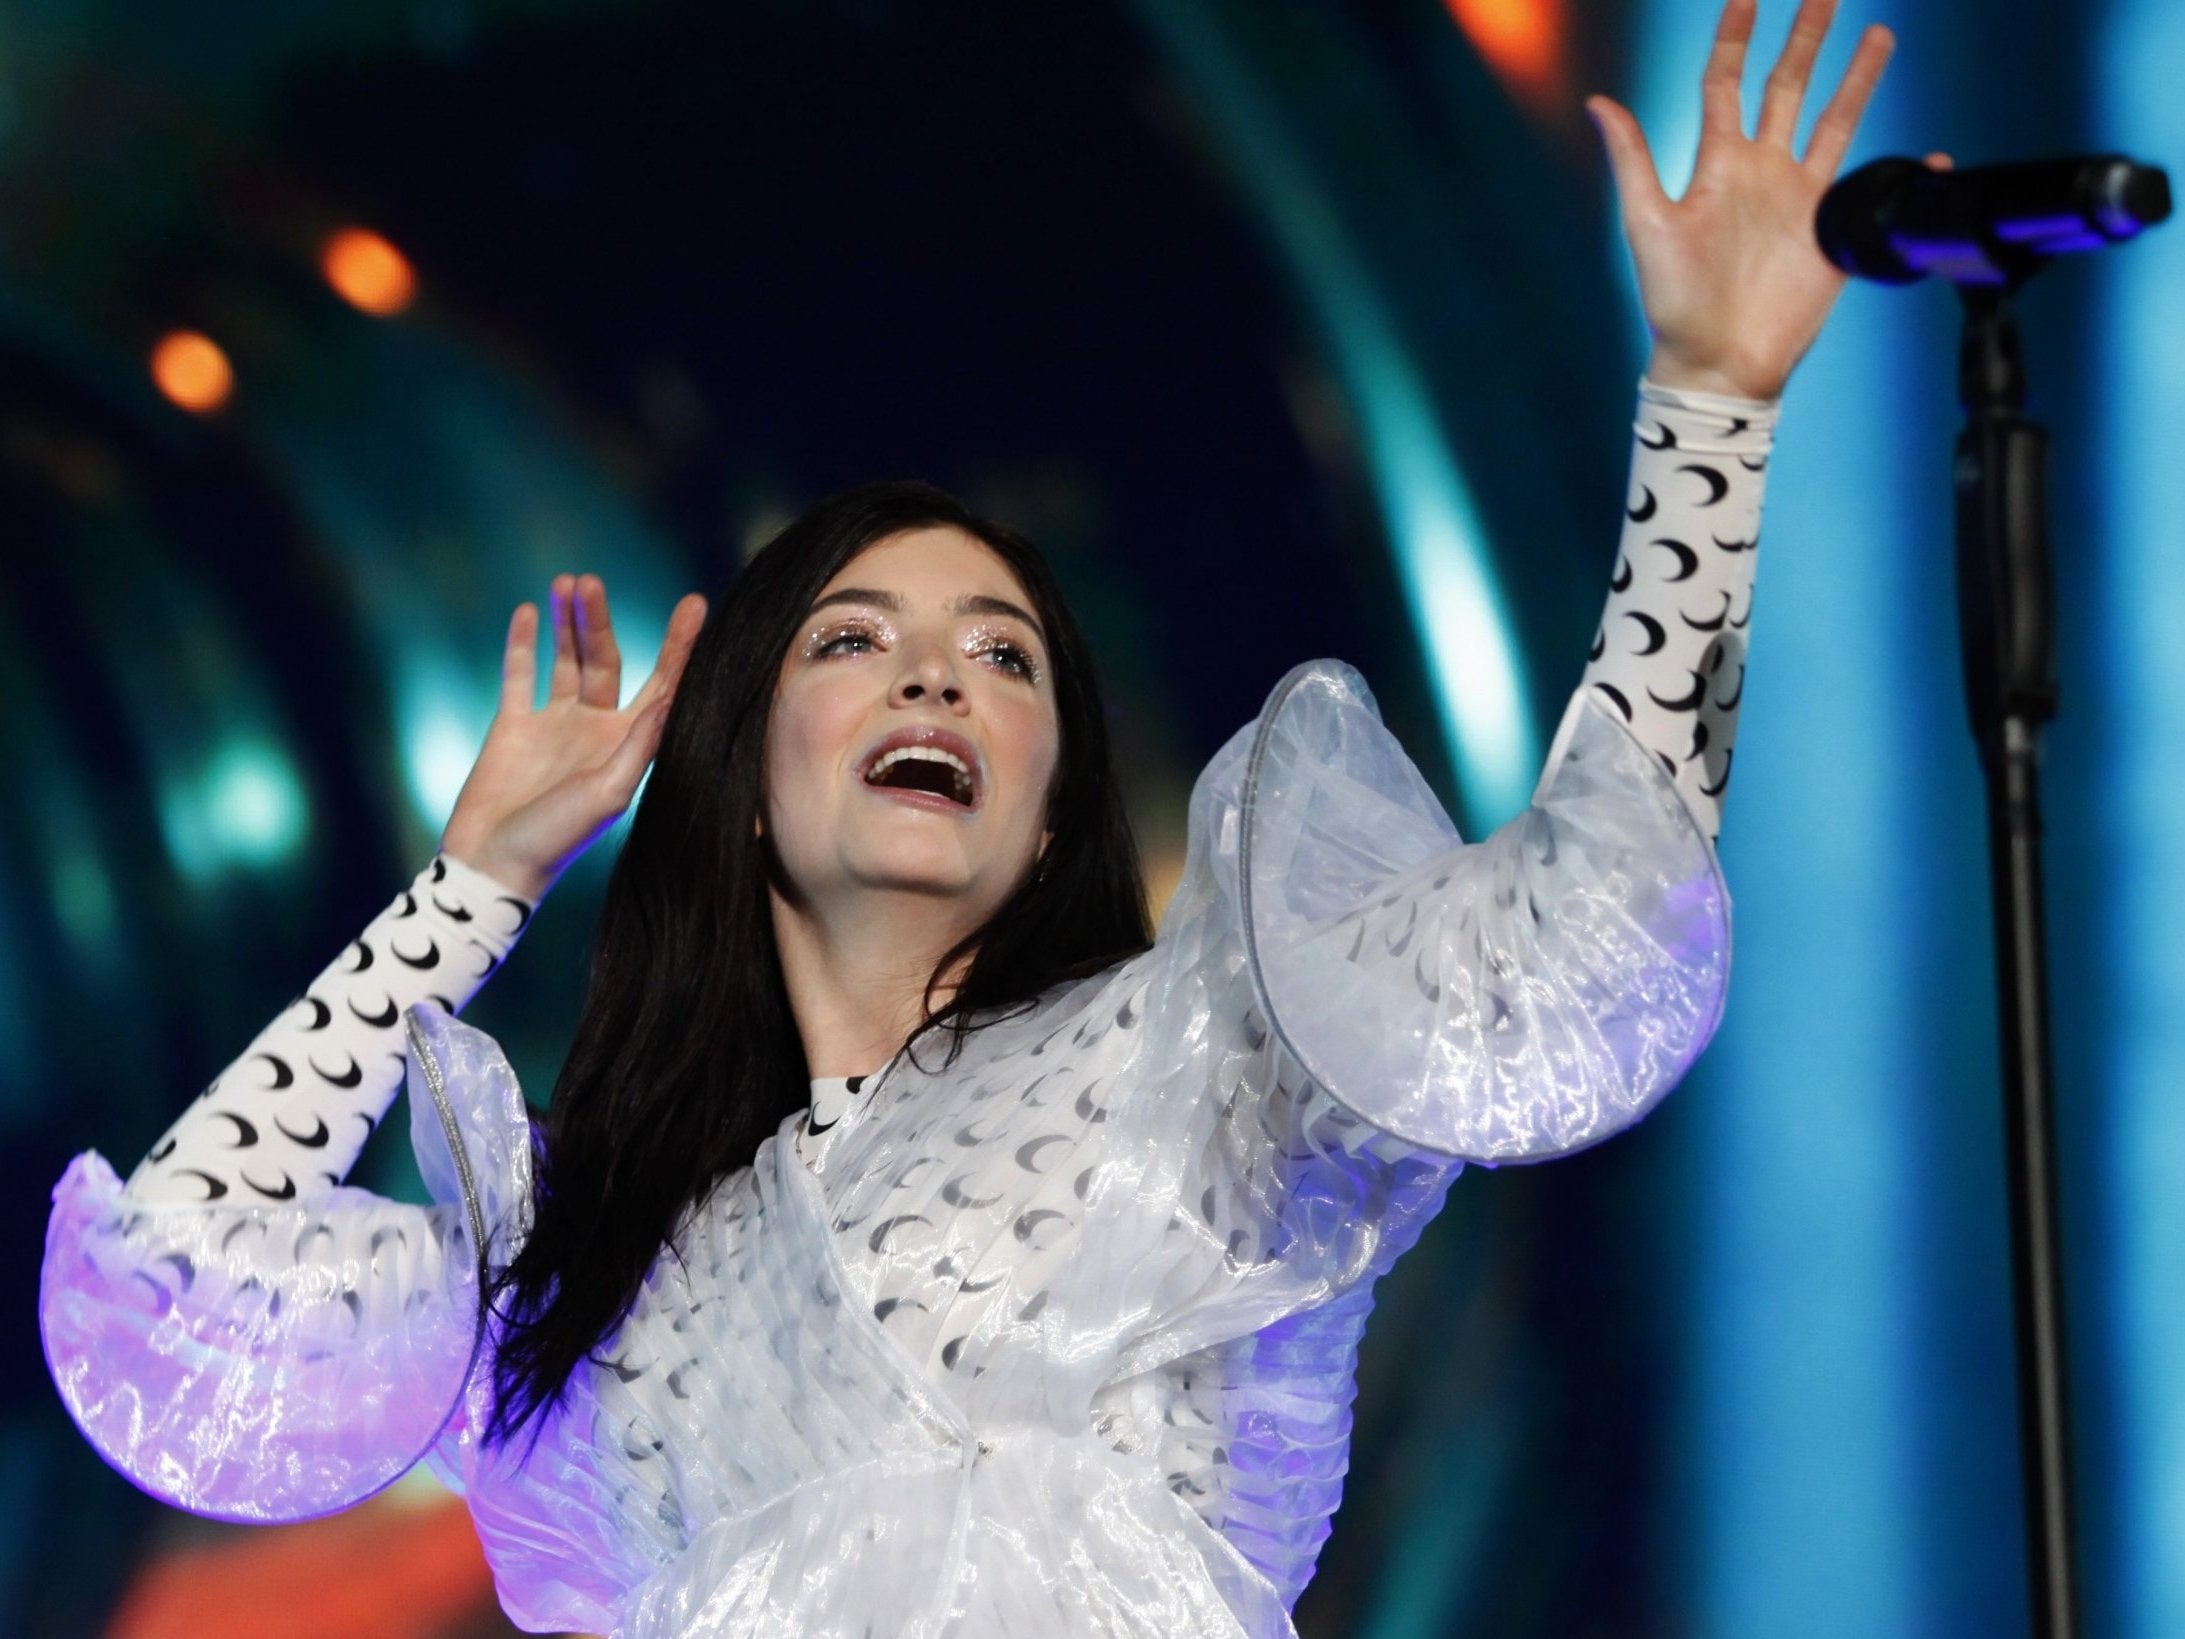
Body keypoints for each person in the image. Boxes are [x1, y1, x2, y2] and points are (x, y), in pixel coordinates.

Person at [39, 3, 1937, 1633]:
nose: (937, 679)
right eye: (856, 642)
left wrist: (1708, 402)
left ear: (1047, 807)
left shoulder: (1201, 1073)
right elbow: (175, 1305)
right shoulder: (592, 1253)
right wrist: (474, 882)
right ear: (740, 779)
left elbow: (1582, 937)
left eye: (1003, 657)